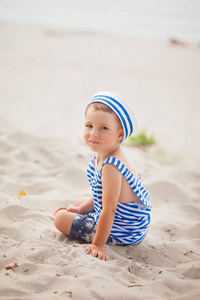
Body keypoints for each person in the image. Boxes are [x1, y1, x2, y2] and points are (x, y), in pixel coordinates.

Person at [54, 91, 152, 261]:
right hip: (131, 223)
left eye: (103, 128)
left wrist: (98, 245)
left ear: (120, 135)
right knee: (80, 203)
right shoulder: (104, 154)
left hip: (122, 231)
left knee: (60, 218)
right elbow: (101, 196)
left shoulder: (111, 166)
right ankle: (83, 211)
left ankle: (103, 236)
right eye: (89, 126)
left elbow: (110, 208)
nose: (93, 133)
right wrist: (80, 210)